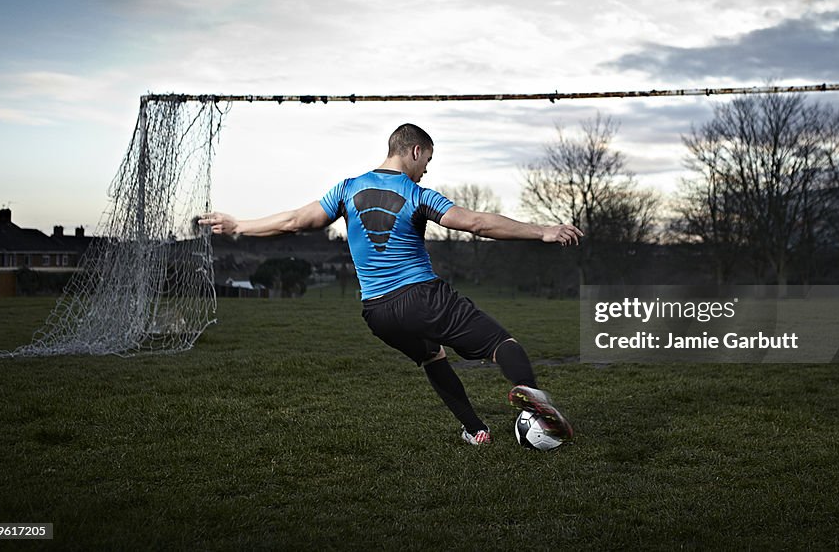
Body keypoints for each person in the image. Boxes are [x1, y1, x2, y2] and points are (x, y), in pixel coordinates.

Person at [200, 123, 581, 446]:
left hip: (378, 312)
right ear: (415, 151)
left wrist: (239, 226)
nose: (426, 172)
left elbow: (295, 220)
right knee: (501, 344)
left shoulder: (346, 189)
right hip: (422, 297)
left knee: (432, 356)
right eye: (427, 162)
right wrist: (542, 231)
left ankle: (475, 429)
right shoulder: (416, 194)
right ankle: (532, 395)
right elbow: (476, 223)